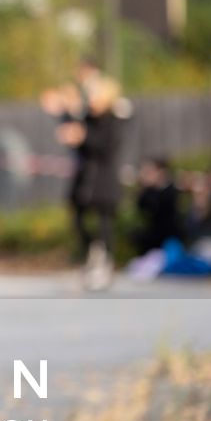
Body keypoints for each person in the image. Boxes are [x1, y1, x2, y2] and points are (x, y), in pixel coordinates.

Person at [56, 74, 126, 289]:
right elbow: (78, 140)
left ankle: (104, 261)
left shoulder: (114, 119)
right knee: (79, 218)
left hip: (104, 180)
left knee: (104, 223)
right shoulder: (86, 118)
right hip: (85, 179)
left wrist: (84, 137)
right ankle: (90, 255)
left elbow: (106, 146)